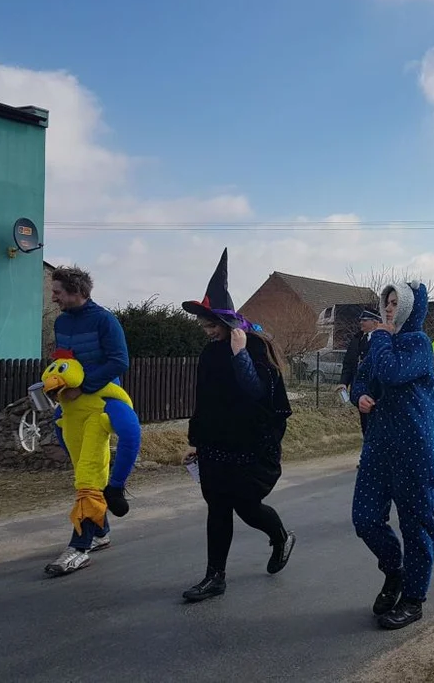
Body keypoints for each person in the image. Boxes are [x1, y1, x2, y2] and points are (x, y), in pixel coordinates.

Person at [180, 249, 295, 602]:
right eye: (204, 326)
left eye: (211, 325)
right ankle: (215, 576)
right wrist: (196, 440)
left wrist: (240, 352)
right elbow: (205, 399)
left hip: (250, 446)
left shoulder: (255, 348)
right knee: (217, 508)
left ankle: (280, 537)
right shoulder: (207, 352)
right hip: (216, 444)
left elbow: (256, 391)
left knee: (246, 507)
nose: (207, 331)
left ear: (227, 322)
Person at [351, 280, 434, 630]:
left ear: (408, 308)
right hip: (378, 445)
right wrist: (360, 396)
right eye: (386, 302)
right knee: (365, 518)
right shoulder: (380, 343)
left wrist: (382, 338)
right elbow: (365, 379)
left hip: (414, 449)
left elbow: (391, 372)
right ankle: (395, 571)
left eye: (394, 303)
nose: (388, 308)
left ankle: (414, 598)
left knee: (416, 525)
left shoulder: (416, 343)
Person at [44, 265, 140, 576]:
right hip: (71, 407)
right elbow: (65, 361)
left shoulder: (104, 320)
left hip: (100, 404)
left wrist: (84, 388)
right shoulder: (61, 322)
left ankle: (80, 547)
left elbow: (119, 361)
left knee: (87, 472)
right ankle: (100, 531)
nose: (53, 297)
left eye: (58, 292)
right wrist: (59, 385)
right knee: (83, 464)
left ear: (78, 292)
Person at [339, 308, 382, 431]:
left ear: (375, 322)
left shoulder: (383, 339)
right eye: (361, 320)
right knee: (365, 426)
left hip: (376, 391)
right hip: (360, 391)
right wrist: (344, 382)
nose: (361, 323)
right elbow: (348, 363)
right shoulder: (356, 339)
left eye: (365, 320)